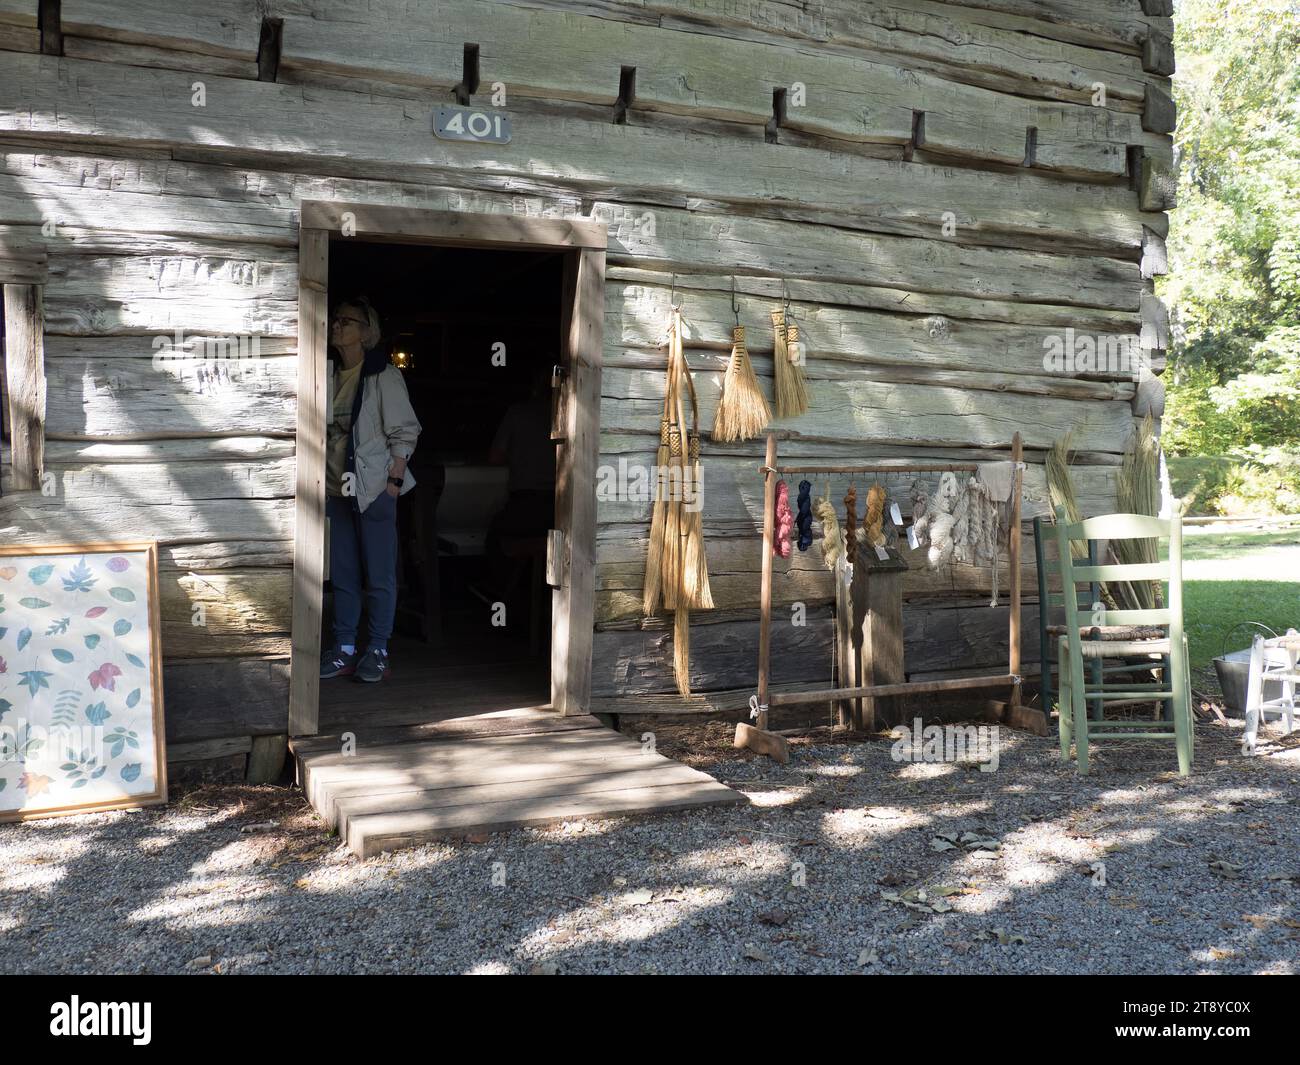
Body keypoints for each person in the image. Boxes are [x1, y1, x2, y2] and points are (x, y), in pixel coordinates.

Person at [320, 297, 422, 683]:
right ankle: (344, 647)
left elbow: (404, 431)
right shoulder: (326, 373)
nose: (337, 325)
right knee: (343, 573)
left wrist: (393, 483)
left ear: (367, 332)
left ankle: (377, 648)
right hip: (334, 490)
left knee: (379, 575)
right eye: (335, 319)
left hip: (374, 489)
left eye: (347, 321)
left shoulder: (382, 374)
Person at [476, 365, 556, 603]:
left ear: (534, 388)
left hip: (527, 506)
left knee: (495, 540)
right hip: (560, 510)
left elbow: (495, 458)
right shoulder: (566, 414)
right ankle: (524, 600)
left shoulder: (518, 413)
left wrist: (523, 455)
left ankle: (503, 595)